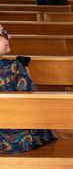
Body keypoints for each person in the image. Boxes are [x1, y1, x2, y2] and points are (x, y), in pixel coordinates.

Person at [0, 24, 56, 154]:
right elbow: (34, 104)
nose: (10, 36)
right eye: (4, 33)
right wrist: (28, 77)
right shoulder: (14, 68)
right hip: (14, 142)